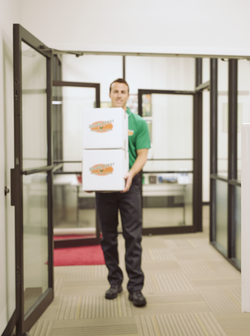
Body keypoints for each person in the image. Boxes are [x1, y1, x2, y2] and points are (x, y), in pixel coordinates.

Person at [95, 78, 150, 307]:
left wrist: (130, 174)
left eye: (123, 92)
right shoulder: (98, 121)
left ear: (128, 95)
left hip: (130, 185)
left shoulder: (138, 122)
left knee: (132, 236)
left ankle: (135, 288)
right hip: (104, 185)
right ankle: (115, 282)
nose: (119, 95)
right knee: (107, 237)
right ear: (109, 94)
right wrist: (90, 177)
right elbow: (92, 151)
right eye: (115, 91)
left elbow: (142, 155)